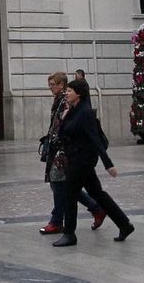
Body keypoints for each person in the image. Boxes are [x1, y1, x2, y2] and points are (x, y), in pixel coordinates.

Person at [53, 79, 134, 247]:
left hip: (83, 161)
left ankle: (69, 234)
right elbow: (63, 132)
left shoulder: (86, 113)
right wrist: (65, 116)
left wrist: (108, 164)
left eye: (69, 91)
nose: (66, 93)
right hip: (76, 159)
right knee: (98, 194)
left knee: (70, 194)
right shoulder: (73, 110)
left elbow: (96, 140)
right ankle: (124, 224)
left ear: (79, 94)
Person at [39, 72, 104, 235]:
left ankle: (57, 221)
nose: (51, 88)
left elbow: (66, 123)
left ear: (62, 85)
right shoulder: (58, 101)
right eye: (50, 85)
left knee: (58, 183)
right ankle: (96, 208)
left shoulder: (65, 101)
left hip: (63, 149)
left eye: (53, 84)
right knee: (65, 185)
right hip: (57, 147)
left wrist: (61, 141)